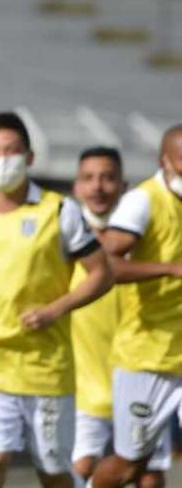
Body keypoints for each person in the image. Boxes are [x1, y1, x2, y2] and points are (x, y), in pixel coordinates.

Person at [0, 112, 113, 488]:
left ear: (29, 157)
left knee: (54, 474)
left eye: (11, 150)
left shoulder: (59, 211)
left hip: (45, 367)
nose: (2, 158)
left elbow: (102, 273)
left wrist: (55, 309)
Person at [70, 147, 172, 487]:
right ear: (76, 187)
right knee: (83, 466)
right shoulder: (63, 240)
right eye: (89, 178)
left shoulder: (142, 240)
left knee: (150, 477)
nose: (98, 187)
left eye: (108, 178)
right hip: (86, 386)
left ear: (123, 186)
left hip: (149, 365)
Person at [91, 125, 182, 487]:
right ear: (166, 162)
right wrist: (170, 269)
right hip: (148, 358)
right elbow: (106, 264)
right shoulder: (143, 201)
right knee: (130, 466)